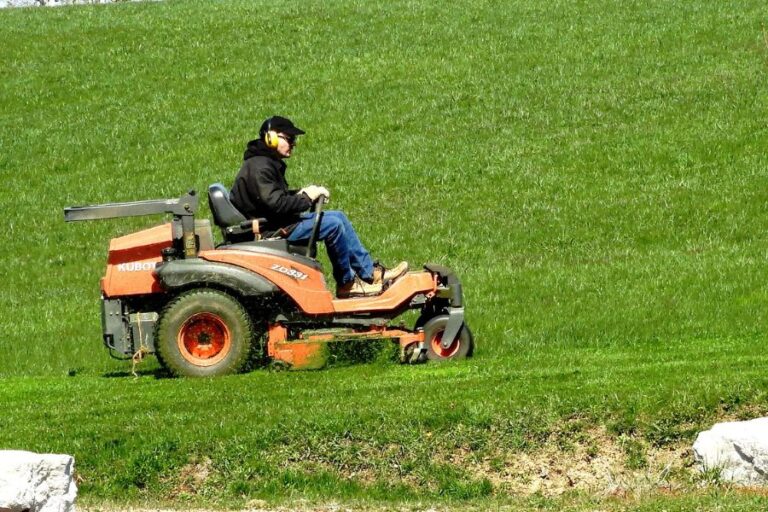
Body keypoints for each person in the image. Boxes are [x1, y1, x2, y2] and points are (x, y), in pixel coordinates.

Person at [230, 115, 408, 298]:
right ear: (271, 137)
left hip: (274, 222)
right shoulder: (260, 167)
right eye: (290, 139)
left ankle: (371, 273)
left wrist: (302, 193)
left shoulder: (262, 163)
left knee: (338, 216)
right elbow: (277, 205)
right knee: (332, 225)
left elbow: (275, 199)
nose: (294, 144)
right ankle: (346, 284)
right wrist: (306, 198)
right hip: (269, 230)